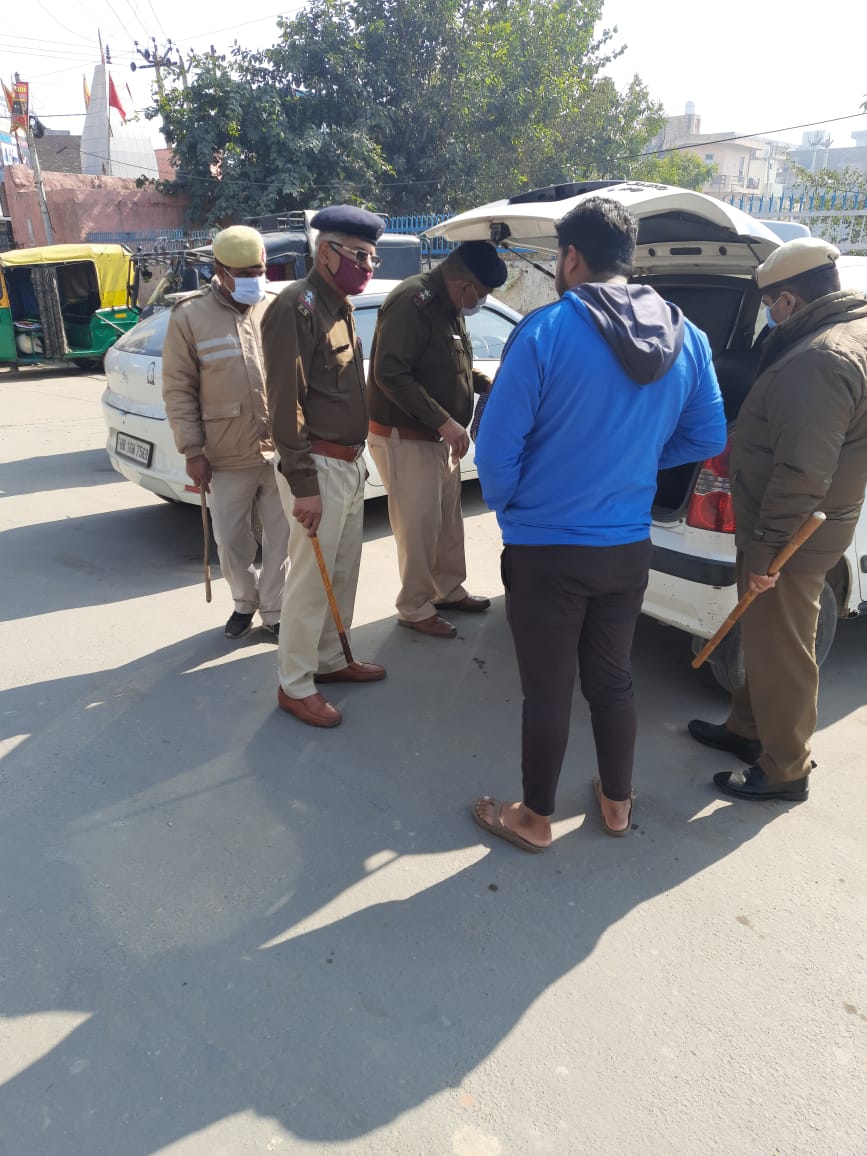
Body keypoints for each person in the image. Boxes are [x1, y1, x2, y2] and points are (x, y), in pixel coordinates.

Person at [469, 196, 728, 850]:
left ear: (571, 257)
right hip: (625, 547)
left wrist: (513, 510)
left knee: (547, 689)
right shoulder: (687, 336)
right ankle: (616, 803)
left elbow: (495, 449)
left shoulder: (547, 329)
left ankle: (533, 817)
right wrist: (637, 460)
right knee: (612, 680)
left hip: (546, 549)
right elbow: (706, 434)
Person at [688, 238, 867, 802]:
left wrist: (765, 550)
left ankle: (786, 768)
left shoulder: (820, 358)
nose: (767, 314)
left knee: (785, 649)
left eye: (769, 303)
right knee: (763, 639)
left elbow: (802, 470)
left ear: (788, 300)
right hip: (795, 523)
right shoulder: (849, 332)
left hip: (792, 533)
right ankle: (746, 730)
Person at [261, 204, 387, 728]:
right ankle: (295, 684)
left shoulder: (340, 307)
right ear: (326, 251)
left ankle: (331, 661)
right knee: (310, 582)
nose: (367, 265)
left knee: (341, 571)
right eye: (358, 255)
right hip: (316, 466)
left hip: (348, 463)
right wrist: (304, 484)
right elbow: (285, 404)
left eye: (373, 257)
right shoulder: (298, 306)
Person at [367, 240, 508, 638]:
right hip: (407, 436)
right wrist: (444, 421)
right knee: (418, 525)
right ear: (462, 283)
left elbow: (452, 367)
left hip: (439, 436)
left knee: (447, 521)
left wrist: (488, 385)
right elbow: (390, 373)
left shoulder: (449, 307)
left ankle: (447, 590)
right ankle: (413, 606)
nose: (480, 301)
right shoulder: (413, 302)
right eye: (480, 293)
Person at [162, 225, 290, 641]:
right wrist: (191, 450)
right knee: (231, 540)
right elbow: (178, 389)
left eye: (260, 269)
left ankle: (274, 608)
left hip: (280, 448)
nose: (255, 278)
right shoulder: (189, 316)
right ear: (220, 270)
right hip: (223, 452)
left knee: (282, 535)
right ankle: (244, 601)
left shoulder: (275, 307)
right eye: (244, 272)